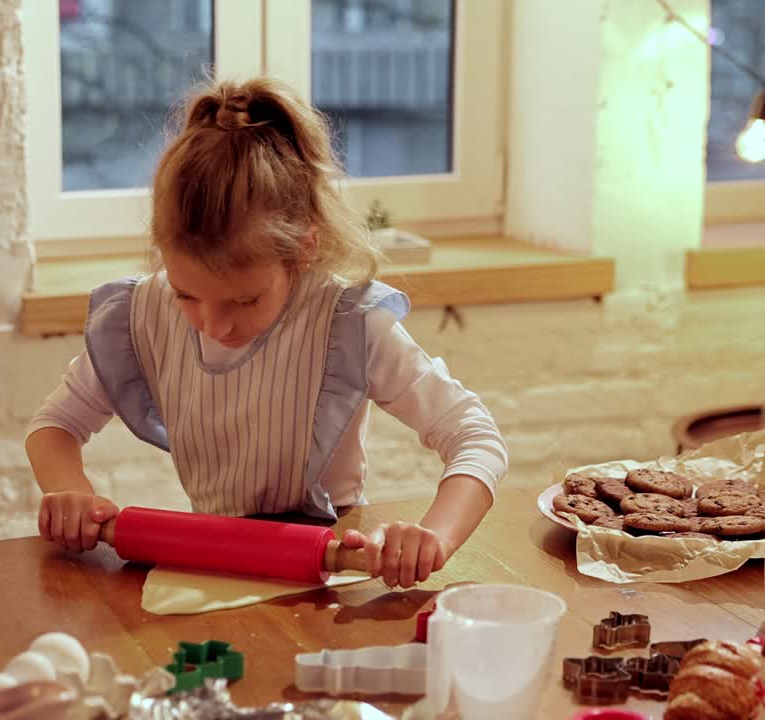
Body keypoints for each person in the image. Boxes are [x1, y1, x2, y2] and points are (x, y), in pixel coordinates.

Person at [27, 77, 508, 590]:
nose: (213, 325)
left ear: (302, 249)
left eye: (243, 300)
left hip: (331, 567)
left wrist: (435, 536)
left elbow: (475, 436)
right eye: (186, 295)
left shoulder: (346, 324)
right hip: (216, 561)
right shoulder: (141, 314)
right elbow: (54, 424)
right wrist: (70, 490)